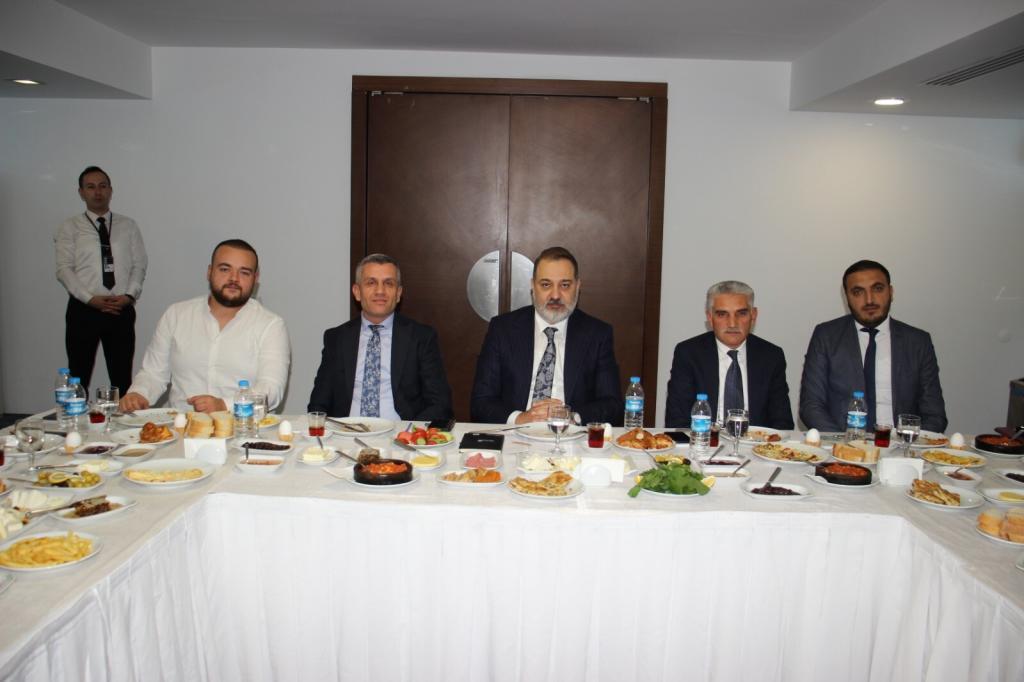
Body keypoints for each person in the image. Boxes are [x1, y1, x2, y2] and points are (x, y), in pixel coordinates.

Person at [119, 239, 290, 413]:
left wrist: (224, 405)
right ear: (209, 272)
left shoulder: (271, 325)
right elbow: (153, 374)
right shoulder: (176, 315)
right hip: (182, 425)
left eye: (244, 272)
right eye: (225, 269)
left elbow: (271, 389)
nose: (234, 278)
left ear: (255, 279)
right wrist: (138, 394)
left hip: (243, 426)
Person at [470, 246, 622, 425]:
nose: (555, 295)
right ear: (532, 286)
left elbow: (612, 404)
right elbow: (481, 402)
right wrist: (520, 418)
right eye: (546, 285)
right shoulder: (503, 330)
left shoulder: (597, 334)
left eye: (565, 285)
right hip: (516, 434)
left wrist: (572, 417)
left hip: (571, 435)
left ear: (578, 286)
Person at [799, 259, 947, 433]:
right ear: (847, 298)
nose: (869, 300)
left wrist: (907, 443)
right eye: (858, 292)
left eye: (877, 289)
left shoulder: (918, 342)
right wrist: (845, 443)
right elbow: (811, 406)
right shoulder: (826, 336)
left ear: (891, 292)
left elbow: (934, 415)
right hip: (842, 442)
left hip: (901, 443)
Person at [308, 254, 452, 420]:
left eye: (388, 283)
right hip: (346, 432)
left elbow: (440, 404)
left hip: (400, 432)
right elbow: (318, 404)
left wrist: (409, 432)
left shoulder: (421, 337)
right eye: (371, 283)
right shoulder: (336, 339)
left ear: (398, 293)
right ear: (357, 292)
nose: (380, 291)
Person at [55, 166, 147, 393]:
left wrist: (129, 296)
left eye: (103, 186)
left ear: (110, 190)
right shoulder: (70, 227)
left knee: (122, 376)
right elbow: (64, 269)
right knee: (78, 374)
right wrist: (89, 299)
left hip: (120, 308)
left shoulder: (128, 225)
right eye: (91, 187)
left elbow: (139, 264)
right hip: (84, 309)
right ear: (81, 192)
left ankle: (123, 416)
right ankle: (75, 415)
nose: (98, 192)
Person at [665, 281, 794, 429]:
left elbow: (782, 424)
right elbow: (677, 422)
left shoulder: (771, 356)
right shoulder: (688, 354)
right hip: (705, 440)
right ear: (710, 317)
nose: (732, 324)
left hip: (756, 442)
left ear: (753, 315)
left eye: (741, 313)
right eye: (722, 314)